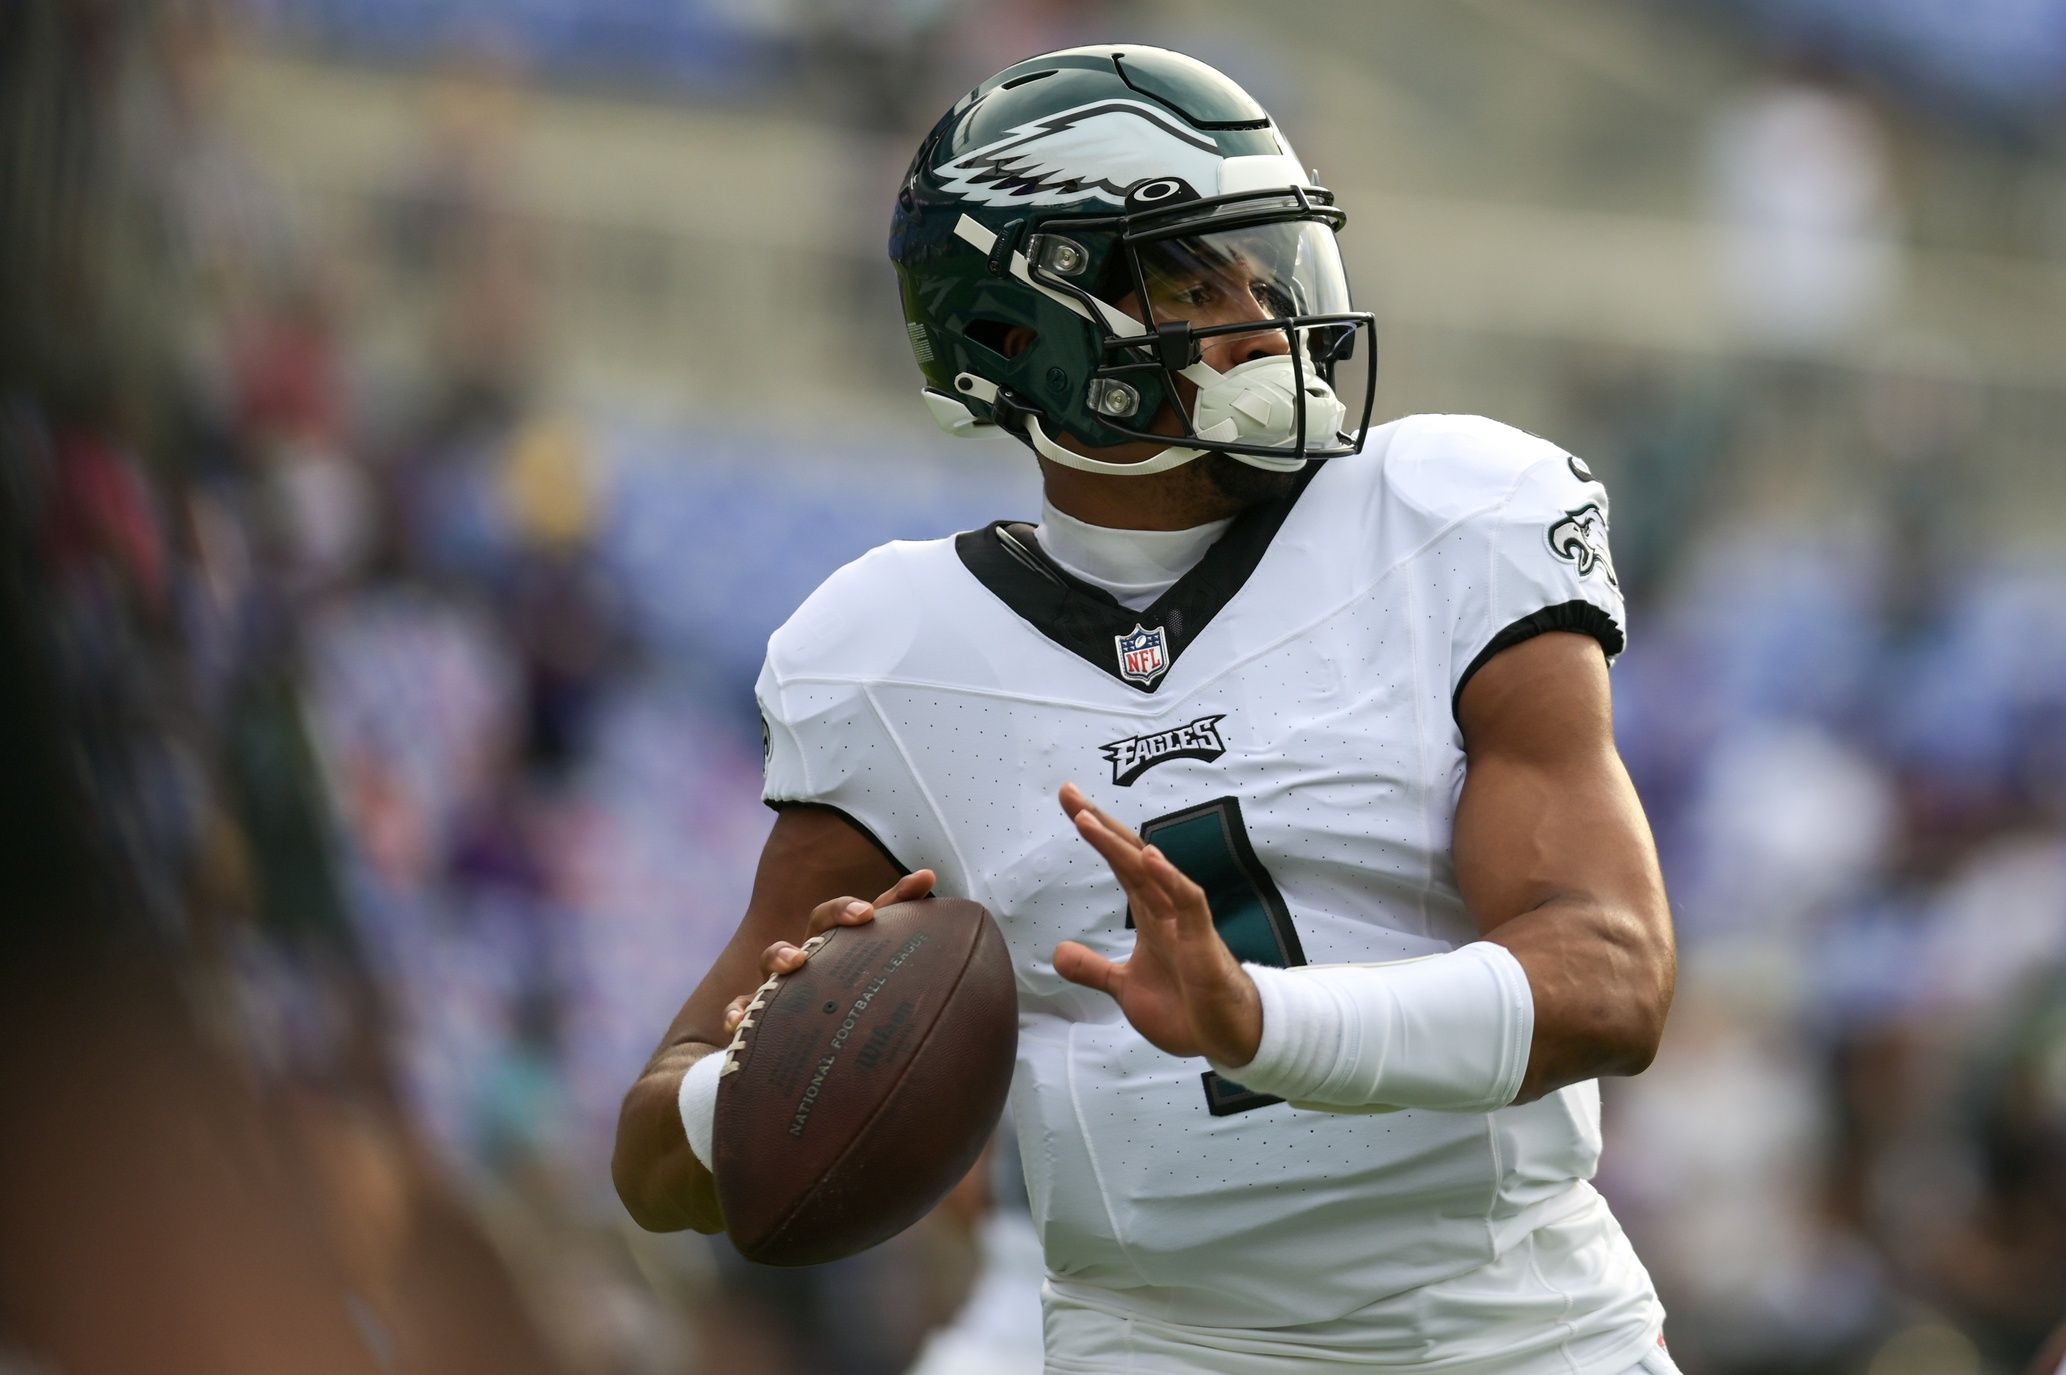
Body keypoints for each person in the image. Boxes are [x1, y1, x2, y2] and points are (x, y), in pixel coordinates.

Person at [613, 45, 1680, 1374]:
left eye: (1260, 261)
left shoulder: (1452, 515)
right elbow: (653, 1160)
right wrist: (771, 1076)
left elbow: (1615, 976)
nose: (1261, 310)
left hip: (1520, 1339)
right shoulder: (886, 655)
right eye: (1191, 272)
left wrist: (1260, 1025)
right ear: (1024, 331)